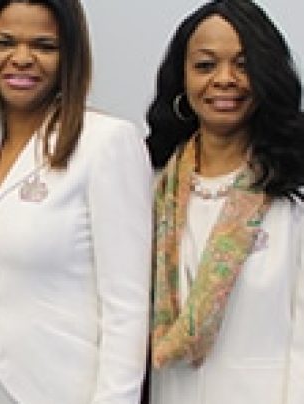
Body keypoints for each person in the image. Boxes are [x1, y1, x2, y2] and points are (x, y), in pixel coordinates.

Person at [0, 0, 152, 402]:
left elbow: (127, 307)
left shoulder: (106, 143)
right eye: (4, 43)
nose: (21, 59)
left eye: (43, 45)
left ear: (69, 56)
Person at [146, 0, 304, 403]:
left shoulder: (295, 189)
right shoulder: (154, 186)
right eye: (205, 65)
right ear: (180, 79)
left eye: (244, 64)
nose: (224, 80)